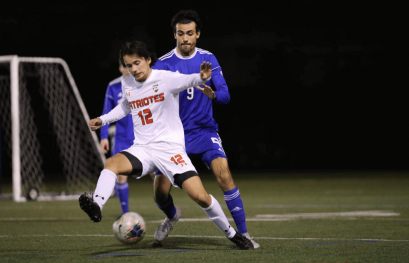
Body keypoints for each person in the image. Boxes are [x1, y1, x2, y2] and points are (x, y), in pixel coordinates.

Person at [79, 40, 254, 250]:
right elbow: (126, 105)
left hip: (170, 150)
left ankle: (234, 235)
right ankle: (97, 205)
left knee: (200, 197)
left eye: (136, 63)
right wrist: (103, 119)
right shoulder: (128, 83)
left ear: (148, 60)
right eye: (128, 65)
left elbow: (188, 80)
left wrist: (202, 77)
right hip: (143, 148)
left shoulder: (165, 78)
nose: (133, 69)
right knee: (112, 164)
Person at [152, 10, 260, 248]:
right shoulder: (163, 63)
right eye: (181, 34)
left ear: (198, 34)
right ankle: (172, 215)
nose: (185, 39)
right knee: (160, 193)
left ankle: (243, 234)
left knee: (224, 175)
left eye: (190, 33)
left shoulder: (209, 59)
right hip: (173, 137)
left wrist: (213, 95)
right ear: (175, 35)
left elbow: (225, 96)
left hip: (203, 131)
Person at [100, 61, 155, 215]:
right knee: (121, 176)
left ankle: (166, 208)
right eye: (125, 66)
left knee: (156, 173)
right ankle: (125, 214)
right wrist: (104, 137)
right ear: (120, 68)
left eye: (131, 65)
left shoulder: (145, 83)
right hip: (122, 138)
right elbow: (106, 112)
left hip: (144, 137)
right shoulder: (114, 86)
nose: (128, 69)